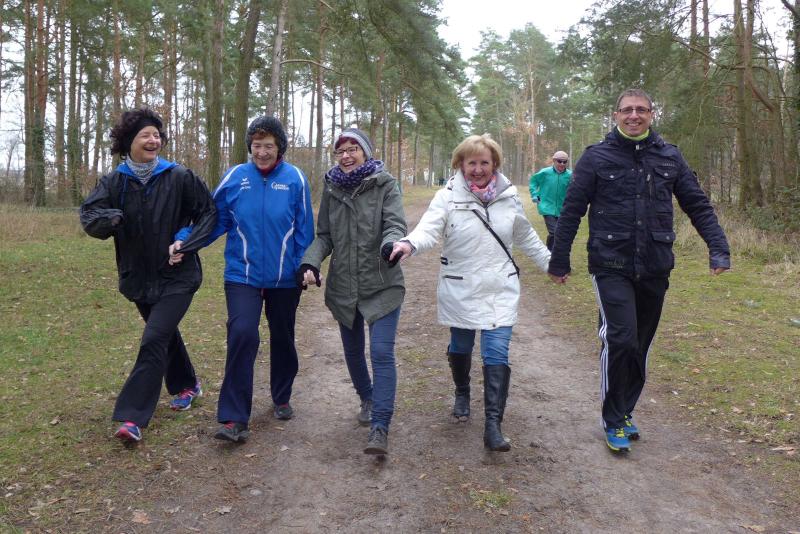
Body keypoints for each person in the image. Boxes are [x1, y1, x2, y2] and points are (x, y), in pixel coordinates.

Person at [547, 88, 730, 453]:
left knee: (640, 344)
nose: (634, 115)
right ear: (616, 115)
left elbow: (697, 204)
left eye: (641, 110)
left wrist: (718, 248)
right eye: (627, 110)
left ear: (651, 114)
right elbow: (571, 211)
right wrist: (560, 259)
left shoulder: (669, 156)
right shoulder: (596, 157)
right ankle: (613, 418)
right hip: (610, 263)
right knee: (621, 337)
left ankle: (626, 409)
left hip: (655, 265)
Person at [391, 134, 551, 452]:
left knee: (497, 353)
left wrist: (552, 264)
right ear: (461, 165)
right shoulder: (447, 197)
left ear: (495, 164)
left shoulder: (509, 197)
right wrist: (409, 243)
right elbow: (429, 229)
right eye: (472, 163)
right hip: (461, 287)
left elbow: (526, 236)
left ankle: (493, 425)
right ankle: (462, 391)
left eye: (484, 163)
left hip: (499, 288)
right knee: (461, 346)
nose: (478, 169)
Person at [79, 107, 217, 443]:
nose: (153, 140)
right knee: (164, 334)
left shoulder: (179, 176)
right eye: (146, 135)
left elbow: (208, 213)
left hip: (178, 276)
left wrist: (185, 242)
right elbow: (89, 216)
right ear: (129, 141)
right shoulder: (114, 182)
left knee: (154, 338)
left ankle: (132, 417)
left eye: (157, 134)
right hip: (138, 278)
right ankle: (187, 385)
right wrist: (112, 218)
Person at [175, 116, 314, 443]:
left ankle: (281, 396)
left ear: (280, 148)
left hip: (284, 278)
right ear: (249, 147)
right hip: (243, 275)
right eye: (256, 145)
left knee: (283, 337)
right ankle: (234, 418)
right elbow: (213, 218)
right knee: (242, 334)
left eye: (269, 146)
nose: (262, 152)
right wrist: (185, 241)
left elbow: (304, 229)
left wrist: (305, 265)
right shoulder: (236, 177)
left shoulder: (295, 179)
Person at [297, 128, 406, 456]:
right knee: (354, 350)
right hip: (344, 285)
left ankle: (380, 425)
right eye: (340, 151)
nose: (346, 156)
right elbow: (324, 236)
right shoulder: (332, 189)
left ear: (366, 152)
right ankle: (367, 399)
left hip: (381, 282)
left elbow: (395, 224)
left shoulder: (385, 184)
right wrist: (310, 262)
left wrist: (391, 244)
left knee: (381, 352)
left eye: (353, 149)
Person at [529, 150, 572, 250]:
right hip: (546, 207)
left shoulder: (570, 175)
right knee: (554, 232)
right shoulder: (545, 172)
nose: (562, 164)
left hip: (562, 209)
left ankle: (550, 251)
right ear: (554, 160)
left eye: (564, 162)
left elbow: (574, 189)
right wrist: (535, 195)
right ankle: (551, 253)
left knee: (559, 232)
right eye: (559, 161)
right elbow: (533, 182)